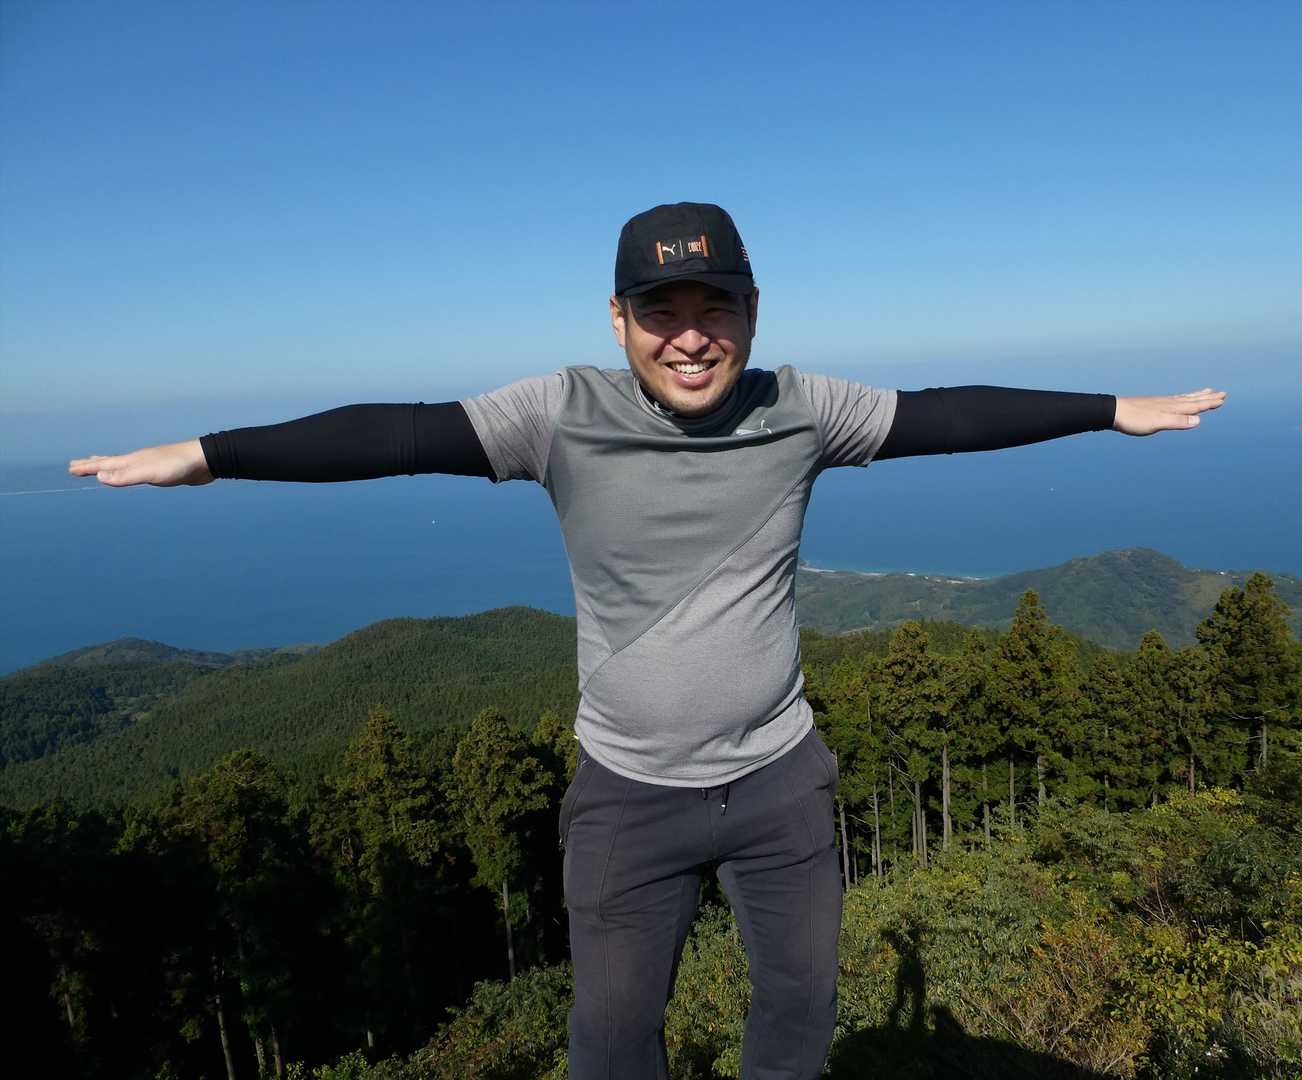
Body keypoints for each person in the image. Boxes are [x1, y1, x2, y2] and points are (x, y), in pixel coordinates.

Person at [69, 201, 1226, 1079]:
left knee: (798, 1017)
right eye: (661, 312)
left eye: (714, 308)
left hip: (781, 783)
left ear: (752, 313)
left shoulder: (797, 408)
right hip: (627, 796)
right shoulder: (557, 415)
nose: (691, 338)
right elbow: (396, 436)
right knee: (614, 1043)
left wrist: (1107, 411)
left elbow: (946, 416)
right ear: (616, 320)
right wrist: (212, 455)